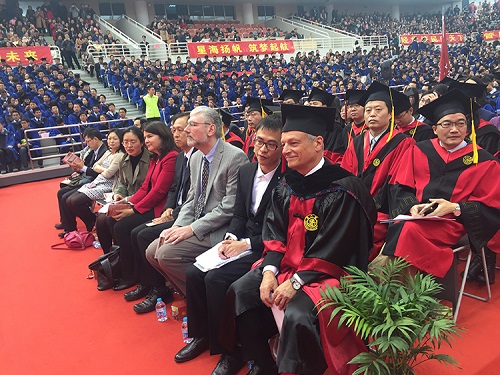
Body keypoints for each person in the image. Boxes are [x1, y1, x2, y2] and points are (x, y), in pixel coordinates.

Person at [214, 104, 377, 375]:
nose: (286, 150)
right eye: (284, 143)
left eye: (293, 143)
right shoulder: (286, 184)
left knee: (299, 313)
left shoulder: (343, 188)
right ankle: (263, 362)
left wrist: (295, 282)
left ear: (318, 143)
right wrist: (269, 272)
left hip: (327, 272)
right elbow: (274, 234)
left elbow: (335, 247)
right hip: (286, 265)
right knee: (239, 292)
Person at [174, 114, 284, 365]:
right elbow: (239, 214)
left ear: (282, 147)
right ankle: (202, 334)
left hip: (264, 247)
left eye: (271, 145)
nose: (262, 150)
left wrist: (244, 244)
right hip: (241, 240)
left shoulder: (286, 179)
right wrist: (231, 237)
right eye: (259, 142)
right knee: (193, 273)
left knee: (215, 278)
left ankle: (231, 349)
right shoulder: (247, 171)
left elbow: (279, 231)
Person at [383, 89, 500, 281]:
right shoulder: (418, 151)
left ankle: (407, 293)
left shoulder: (484, 161)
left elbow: (493, 209)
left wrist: (455, 207)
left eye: (460, 123)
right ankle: (420, 291)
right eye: (447, 124)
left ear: (468, 127)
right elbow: (399, 187)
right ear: (435, 129)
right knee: (405, 227)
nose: (454, 129)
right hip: (416, 217)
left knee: (405, 231)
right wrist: (413, 206)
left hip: (454, 223)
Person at [145, 106, 248, 298]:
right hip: (196, 223)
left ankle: (205, 299)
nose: (185, 130)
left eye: (192, 125)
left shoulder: (235, 157)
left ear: (210, 129)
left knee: (166, 254)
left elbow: (229, 207)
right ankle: (196, 297)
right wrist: (177, 227)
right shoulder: (196, 157)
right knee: (152, 251)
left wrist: (192, 229)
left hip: (219, 229)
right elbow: (192, 198)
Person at [123, 113, 197, 312]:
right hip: (172, 210)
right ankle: (143, 280)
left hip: (186, 215)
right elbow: (172, 190)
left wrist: (169, 212)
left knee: (141, 234)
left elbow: (163, 192)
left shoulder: (179, 157)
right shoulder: (178, 157)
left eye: (180, 130)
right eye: (174, 130)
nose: (177, 134)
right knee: (127, 229)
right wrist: (168, 208)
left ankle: (158, 288)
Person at [341, 82, 415, 260]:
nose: (372, 114)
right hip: (355, 206)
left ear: (390, 114)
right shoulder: (357, 142)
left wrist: (369, 206)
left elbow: (398, 183)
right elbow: (345, 176)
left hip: (382, 211)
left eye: (378, 109)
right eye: (368, 110)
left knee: (362, 231)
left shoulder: (404, 143)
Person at [105, 121, 178, 291]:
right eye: (145, 137)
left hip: (159, 208)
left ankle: (137, 277)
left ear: (163, 136)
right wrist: (128, 202)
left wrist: (134, 210)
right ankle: (128, 270)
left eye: (150, 136)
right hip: (149, 205)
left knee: (125, 228)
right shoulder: (155, 157)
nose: (147, 141)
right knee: (112, 221)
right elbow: (146, 187)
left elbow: (159, 191)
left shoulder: (170, 157)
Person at [95, 126, 150, 254]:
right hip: (127, 200)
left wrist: (127, 199)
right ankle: (110, 256)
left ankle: (122, 255)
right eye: (125, 142)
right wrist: (119, 194)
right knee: (101, 220)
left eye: (133, 142)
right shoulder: (124, 160)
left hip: (141, 201)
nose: (129, 145)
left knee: (112, 221)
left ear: (141, 142)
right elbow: (123, 183)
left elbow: (148, 189)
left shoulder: (150, 160)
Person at [63, 129, 124, 233]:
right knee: (68, 200)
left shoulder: (120, 155)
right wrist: (104, 170)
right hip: (98, 181)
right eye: (109, 138)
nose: (111, 141)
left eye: (115, 139)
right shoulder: (108, 152)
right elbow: (96, 165)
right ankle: (91, 221)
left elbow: (108, 174)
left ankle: (91, 221)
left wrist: (102, 170)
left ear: (120, 140)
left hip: (108, 185)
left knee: (74, 201)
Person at [55, 127, 107, 236]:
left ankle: (89, 220)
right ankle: (67, 224)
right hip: (86, 178)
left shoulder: (105, 151)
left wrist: (82, 168)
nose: (87, 144)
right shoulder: (92, 151)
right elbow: (86, 166)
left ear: (96, 139)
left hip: (95, 181)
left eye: (88, 141)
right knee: (61, 192)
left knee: (67, 197)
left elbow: (98, 172)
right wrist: (77, 169)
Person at [307, 87, 346, 164]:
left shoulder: (334, 128)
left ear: (324, 107)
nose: (311, 106)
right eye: (310, 104)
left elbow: (334, 154)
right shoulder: (308, 126)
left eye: (315, 104)